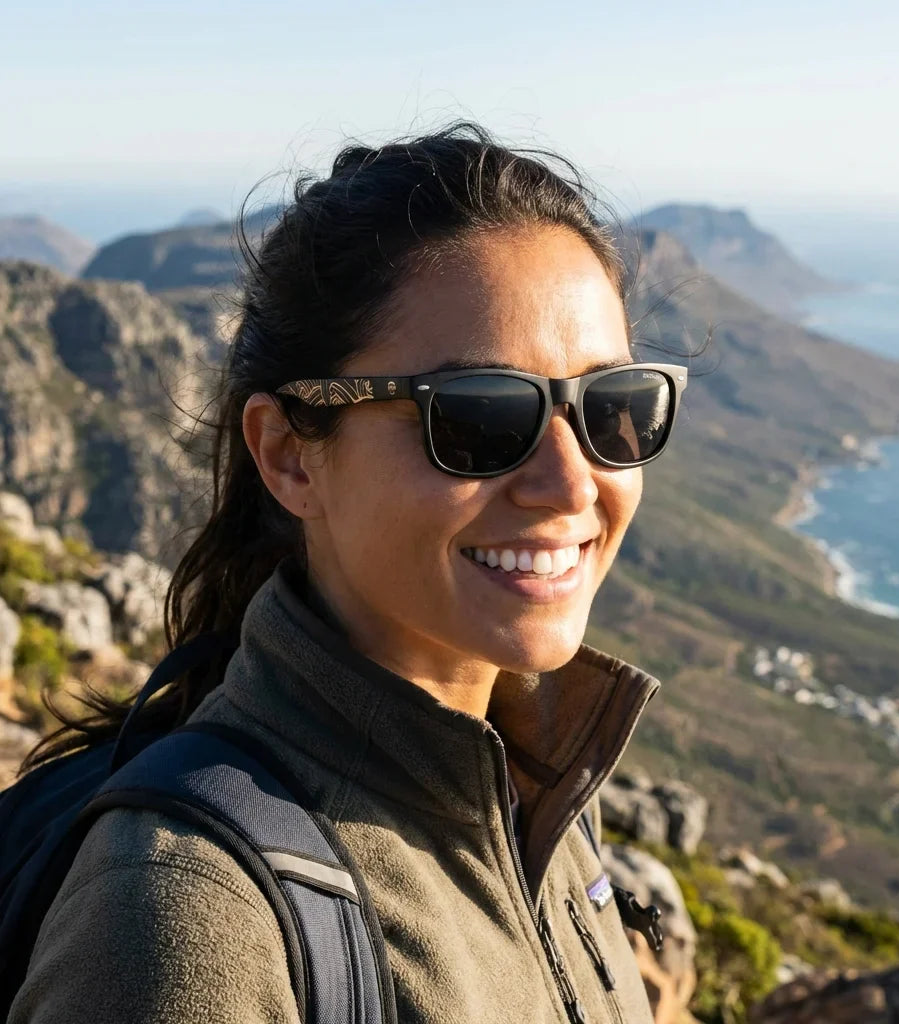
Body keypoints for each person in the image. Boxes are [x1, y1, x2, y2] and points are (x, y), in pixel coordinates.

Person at [10, 122, 687, 1024]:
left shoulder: (536, 795)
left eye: (613, 407)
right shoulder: (190, 917)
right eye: (479, 418)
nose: (571, 482)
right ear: (289, 455)